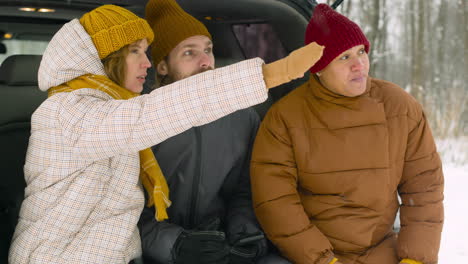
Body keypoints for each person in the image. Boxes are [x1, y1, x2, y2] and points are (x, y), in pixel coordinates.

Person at [8, 3, 324, 264]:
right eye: (136, 52)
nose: (147, 62)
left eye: (148, 51)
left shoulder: (115, 110)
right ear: (106, 59)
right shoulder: (68, 113)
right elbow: (150, 115)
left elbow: (245, 188)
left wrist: (244, 232)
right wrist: (271, 73)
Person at [250, 4, 444, 264]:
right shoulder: (284, 118)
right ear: (317, 68)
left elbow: (424, 189)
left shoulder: (400, 107)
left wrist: (415, 259)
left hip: (383, 250)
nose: (358, 65)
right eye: (344, 57)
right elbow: (275, 202)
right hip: (308, 255)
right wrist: (322, 260)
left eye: (361, 52)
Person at [138, 1, 292, 264]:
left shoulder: (242, 117)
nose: (206, 61)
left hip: (221, 246)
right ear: (162, 65)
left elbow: (246, 189)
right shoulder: (137, 120)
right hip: (161, 252)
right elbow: (123, 212)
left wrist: (245, 232)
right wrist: (176, 245)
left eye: (208, 50)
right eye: (189, 53)